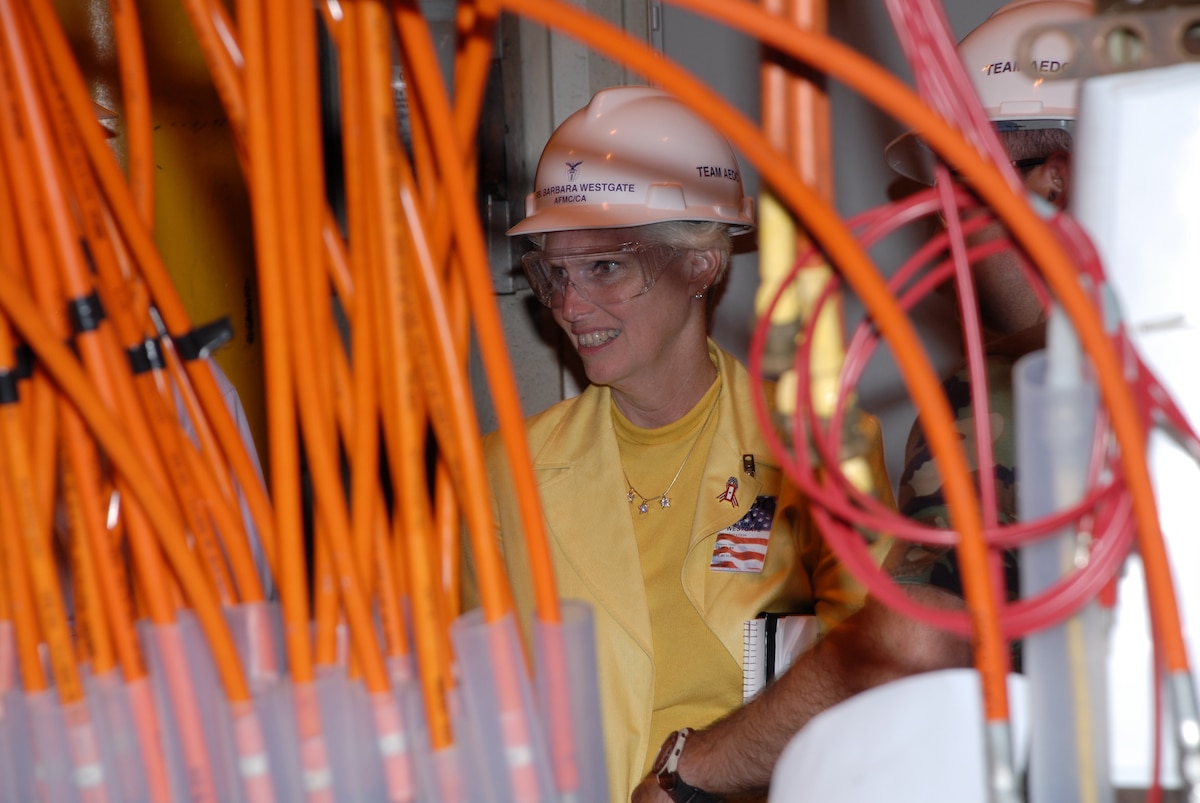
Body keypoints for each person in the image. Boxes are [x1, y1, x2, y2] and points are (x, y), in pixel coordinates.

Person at [631, 1, 1088, 800]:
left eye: (955, 186)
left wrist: (688, 772)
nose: (933, 222)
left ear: (1054, 182)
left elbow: (912, 640)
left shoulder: (1005, 392)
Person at [464, 85, 894, 803]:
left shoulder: (817, 451)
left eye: (604, 267)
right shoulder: (503, 472)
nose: (571, 306)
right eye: (554, 273)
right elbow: (477, 712)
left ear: (701, 264)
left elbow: (877, 668)